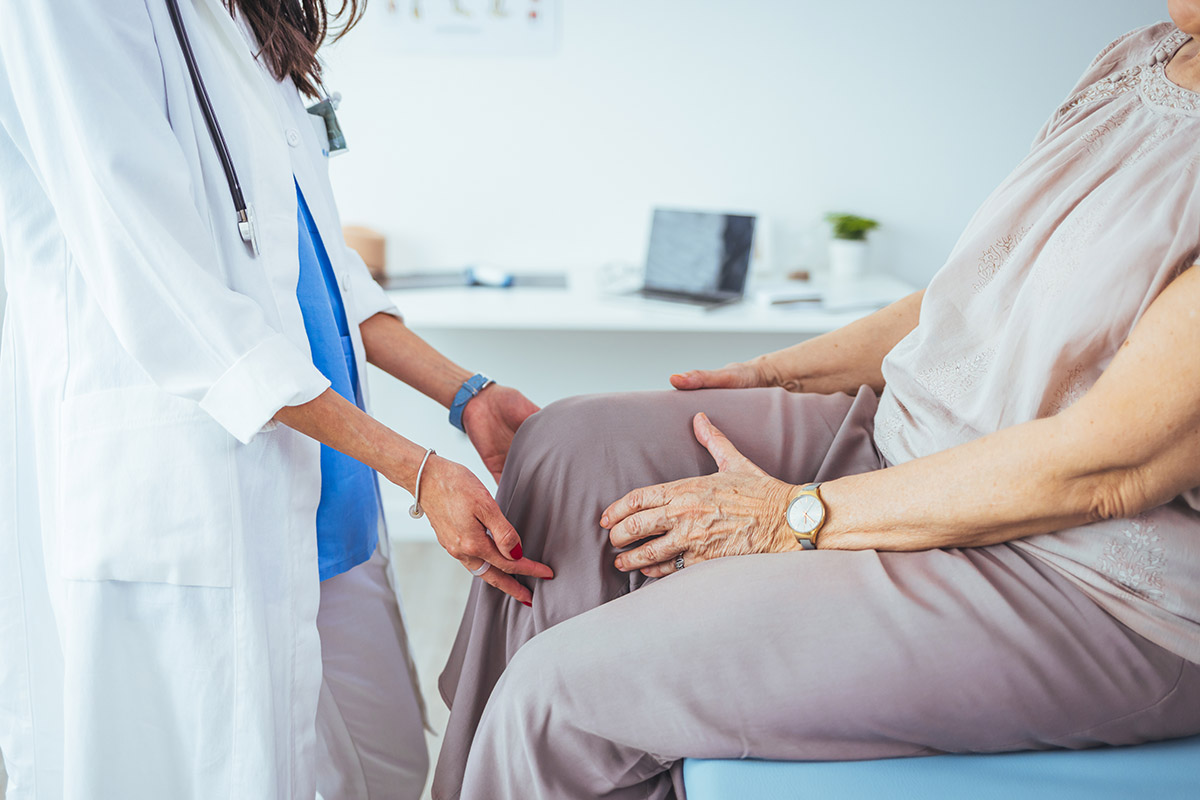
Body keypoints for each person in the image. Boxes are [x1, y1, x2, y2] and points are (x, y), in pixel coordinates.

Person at [432, 14, 1200, 800]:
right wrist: (776, 374)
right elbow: (982, 294)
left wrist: (792, 516)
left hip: (1087, 577)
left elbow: (1105, 468)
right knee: (567, 449)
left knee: (562, 694)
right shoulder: (1143, 56)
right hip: (908, 441)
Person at [0, 1, 551, 798]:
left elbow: (314, 257)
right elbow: (176, 294)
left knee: (389, 771)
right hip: (197, 505)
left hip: (331, 503)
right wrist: (418, 470)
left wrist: (466, 395)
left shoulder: (231, 17)